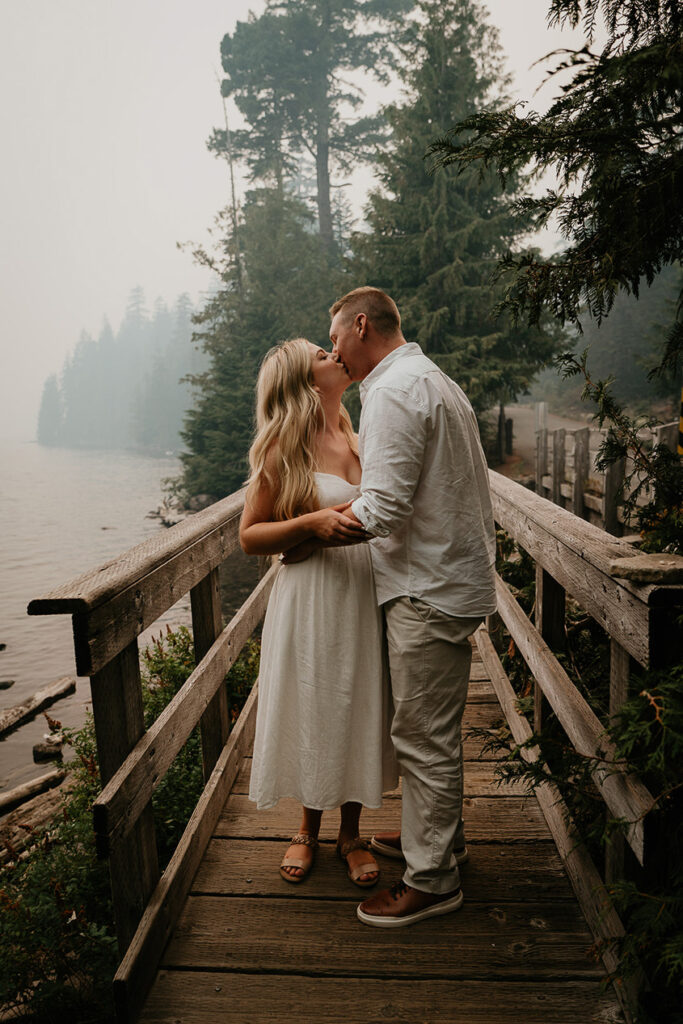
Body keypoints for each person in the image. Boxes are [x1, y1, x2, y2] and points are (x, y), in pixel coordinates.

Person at [329, 286, 497, 927]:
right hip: (449, 578)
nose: (336, 351)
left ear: (362, 324)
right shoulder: (432, 379)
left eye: (338, 336)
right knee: (434, 732)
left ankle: (431, 881)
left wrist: (314, 524)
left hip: (425, 586)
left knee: (421, 737)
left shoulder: (395, 392)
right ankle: (440, 838)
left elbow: (384, 507)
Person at [240, 337, 398, 887]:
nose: (333, 354)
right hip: (312, 596)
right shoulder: (286, 445)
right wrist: (307, 526)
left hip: (364, 590)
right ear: (302, 380)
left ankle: (350, 834)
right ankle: (304, 829)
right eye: (319, 354)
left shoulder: (358, 436)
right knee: (314, 698)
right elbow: (250, 535)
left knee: (359, 699)